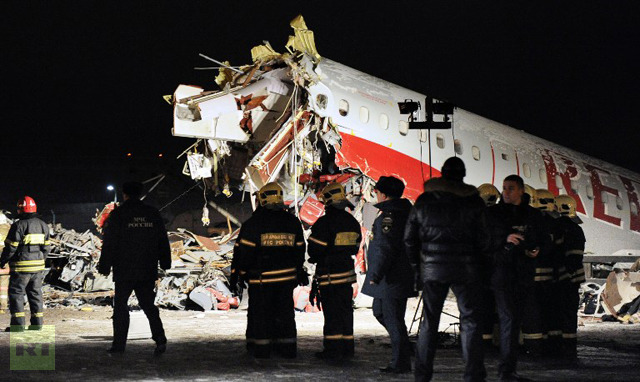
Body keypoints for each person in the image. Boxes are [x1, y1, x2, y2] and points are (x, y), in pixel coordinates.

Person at [405, 157, 487, 382]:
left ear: (441, 173)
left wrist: (418, 267)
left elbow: (409, 239)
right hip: (466, 270)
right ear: (463, 175)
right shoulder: (474, 202)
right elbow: (485, 239)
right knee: (470, 321)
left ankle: (422, 375)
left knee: (429, 322)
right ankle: (473, 374)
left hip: (432, 270)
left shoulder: (424, 201)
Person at [485, 175, 550, 381]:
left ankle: (509, 369)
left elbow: (545, 240)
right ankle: (506, 370)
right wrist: (504, 240)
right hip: (502, 273)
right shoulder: (492, 214)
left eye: (510, 189)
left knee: (515, 321)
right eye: (504, 188)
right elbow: (481, 239)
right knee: (509, 319)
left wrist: (537, 250)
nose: (506, 192)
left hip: (523, 273)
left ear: (521, 191)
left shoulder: (533, 215)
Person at [231, 182, 306, 359]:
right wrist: (296, 272)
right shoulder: (292, 222)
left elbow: (245, 253)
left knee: (261, 316)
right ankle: (287, 350)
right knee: (285, 315)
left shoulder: (254, 224)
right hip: (286, 280)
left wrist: (241, 275)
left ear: (262, 200)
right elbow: (300, 250)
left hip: (261, 280)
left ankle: (262, 350)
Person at [97, 181, 171, 355]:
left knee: (121, 307)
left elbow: (110, 242)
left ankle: (119, 346)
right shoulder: (152, 213)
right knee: (148, 305)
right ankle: (160, 340)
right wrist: (165, 261)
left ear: (124, 194)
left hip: (124, 269)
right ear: (140, 193)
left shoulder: (118, 214)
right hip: (147, 268)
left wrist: (105, 265)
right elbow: (162, 239)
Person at [361, 175, 413, 374]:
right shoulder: (402, 213)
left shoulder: (390, 217)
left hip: (392, 277)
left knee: (393, 319)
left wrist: (375, 274)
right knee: (380, 312)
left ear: (383, 194)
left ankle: (400, 362)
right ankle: (403, 351)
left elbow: (386, 248)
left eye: (377, 192)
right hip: (393, 277)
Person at [308, 182, 362, 359]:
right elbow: (355, 248)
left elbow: (315, 251)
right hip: (347, 276)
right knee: (346, 313)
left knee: (332, 315)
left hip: (329, 275)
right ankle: (347, 349)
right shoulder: (352, 222)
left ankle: (333, 350)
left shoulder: (324, 223)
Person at [0, 196, 50, 332]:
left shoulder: (18, 225)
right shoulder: (43, 225)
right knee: (35, 294)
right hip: (38, 268)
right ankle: (37, 324)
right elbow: (46, 248)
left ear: (20, 210)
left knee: (16, 294)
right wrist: (40, 261)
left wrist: (3, 261)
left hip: (21, 267)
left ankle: (18, 326)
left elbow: (11, 247)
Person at [554, 195, 586, 358]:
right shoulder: (576, 228)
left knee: (563, 311)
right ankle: (568, 345)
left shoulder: (562, 228)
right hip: (573, 278)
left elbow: (564, 255)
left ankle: (565, 347)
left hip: (566, 277)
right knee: (569, 312)